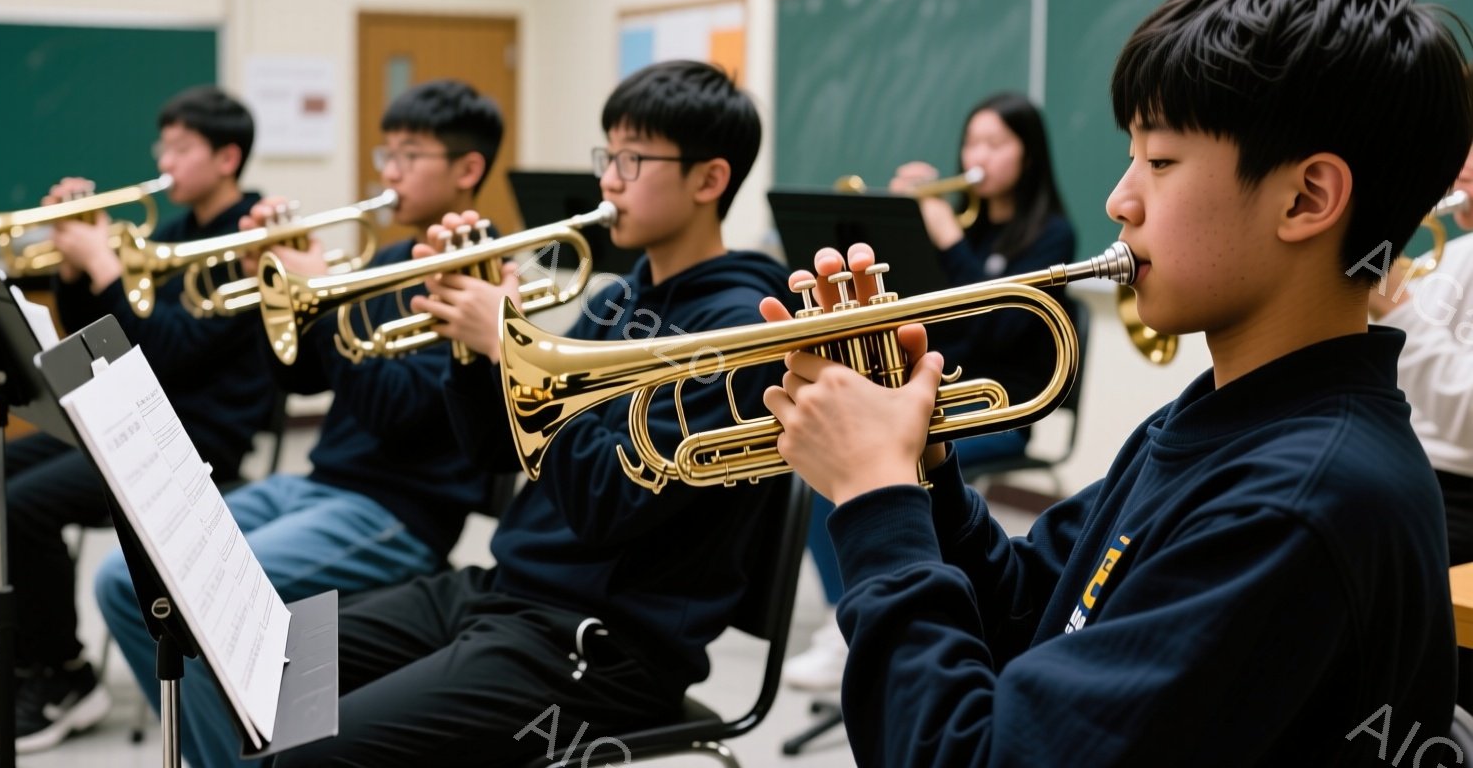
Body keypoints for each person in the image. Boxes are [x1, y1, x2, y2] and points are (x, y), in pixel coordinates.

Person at [763, 0, 1470, 764]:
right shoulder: (1216, 418)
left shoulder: (1297, 504)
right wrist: (922, 472)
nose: (1119, 199)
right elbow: (1039, 612)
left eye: (1160, 161)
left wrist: (876, 502)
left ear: (1307, 198)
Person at [273, 60, 791, 767]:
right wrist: (470, 344)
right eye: (607, 154)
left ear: (709, 180)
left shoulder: (734, 337)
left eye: (633, 159)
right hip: (508, 592)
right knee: (271, 665)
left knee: (315, 751)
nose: (609, 178)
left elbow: (610, 501)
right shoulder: (618, 297)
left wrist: (511, 347)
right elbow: (496, 452)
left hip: (602, 645)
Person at [93, 78, 499, 768]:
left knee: (197, 594)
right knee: (121, 578)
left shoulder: (485, 278)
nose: (389, 173)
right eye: (385, 153)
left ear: (467, 170)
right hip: (317, 484)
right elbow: (299, 379)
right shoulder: (391, 259)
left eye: (409, 155)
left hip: (396, 510)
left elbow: (399, 417)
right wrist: (276, 293)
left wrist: (324, 304)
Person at [0, 85, 275, 754]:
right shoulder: (173, 230)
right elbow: (104, 339)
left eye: (181, 147)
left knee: (25, 503)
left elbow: (171, 355)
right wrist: (75, 271)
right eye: (164, 144)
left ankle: (65, 675)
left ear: (228, 157)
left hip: (199, 438)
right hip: (135, 417)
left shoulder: (251, 240)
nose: (164, 158)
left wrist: (105, 268)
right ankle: (22, 654)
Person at [784, 92, 1075, 690]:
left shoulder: (1051, 235)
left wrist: (947, 238)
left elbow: (995, 324)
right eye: (972, 142)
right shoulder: (960, 224)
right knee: (823, 464)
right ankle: (862, 621)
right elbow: (918, 318)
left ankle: (873, 630)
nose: (978, 155)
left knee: (858, 471)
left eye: (996, 144)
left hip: (998, 407)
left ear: (1030, 153)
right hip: (932, 392)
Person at [1371, 139, 1473, 707]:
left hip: (1459, 508)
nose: (1463, 160)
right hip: (1414, 476)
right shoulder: (1456, 255)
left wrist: (1398, 307)